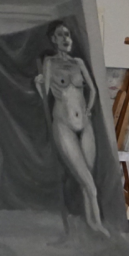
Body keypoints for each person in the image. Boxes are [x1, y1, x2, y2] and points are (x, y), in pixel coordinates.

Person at [34, 20, 106, 233]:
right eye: (61, 35)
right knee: (89, 183)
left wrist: (88, 109)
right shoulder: (49, 63)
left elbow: (93, 90)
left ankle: (91, 223)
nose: (66, 38)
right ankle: (99, 226)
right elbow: (45, 95)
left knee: (87, 180)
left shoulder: (79, 63)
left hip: (85, 125)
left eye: (68, 34)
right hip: (64, 126)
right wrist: (38, 84)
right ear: (53, 39)